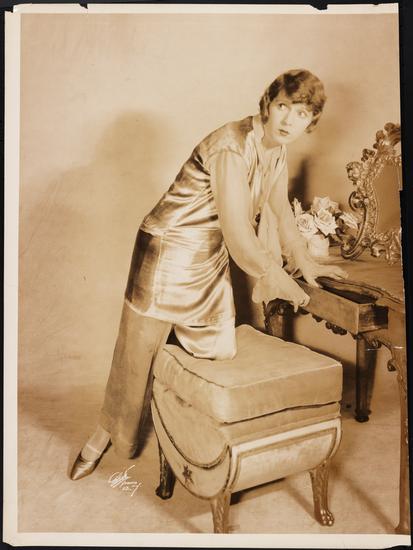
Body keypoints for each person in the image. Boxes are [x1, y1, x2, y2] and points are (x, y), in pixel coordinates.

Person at [70, 68, 347, 480]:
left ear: (312, 120)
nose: (290, 120)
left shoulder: (276, 148)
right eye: (283, 107)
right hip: (168, 248)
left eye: (302, 113)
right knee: (136, 352)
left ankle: (178, 425)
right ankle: (103, 435)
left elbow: (281, 211)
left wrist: (307, 262)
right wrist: (276, 277)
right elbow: (237, 232)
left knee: (216, 350)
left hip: (208, 252)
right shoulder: (230, 145)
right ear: (268, 105)